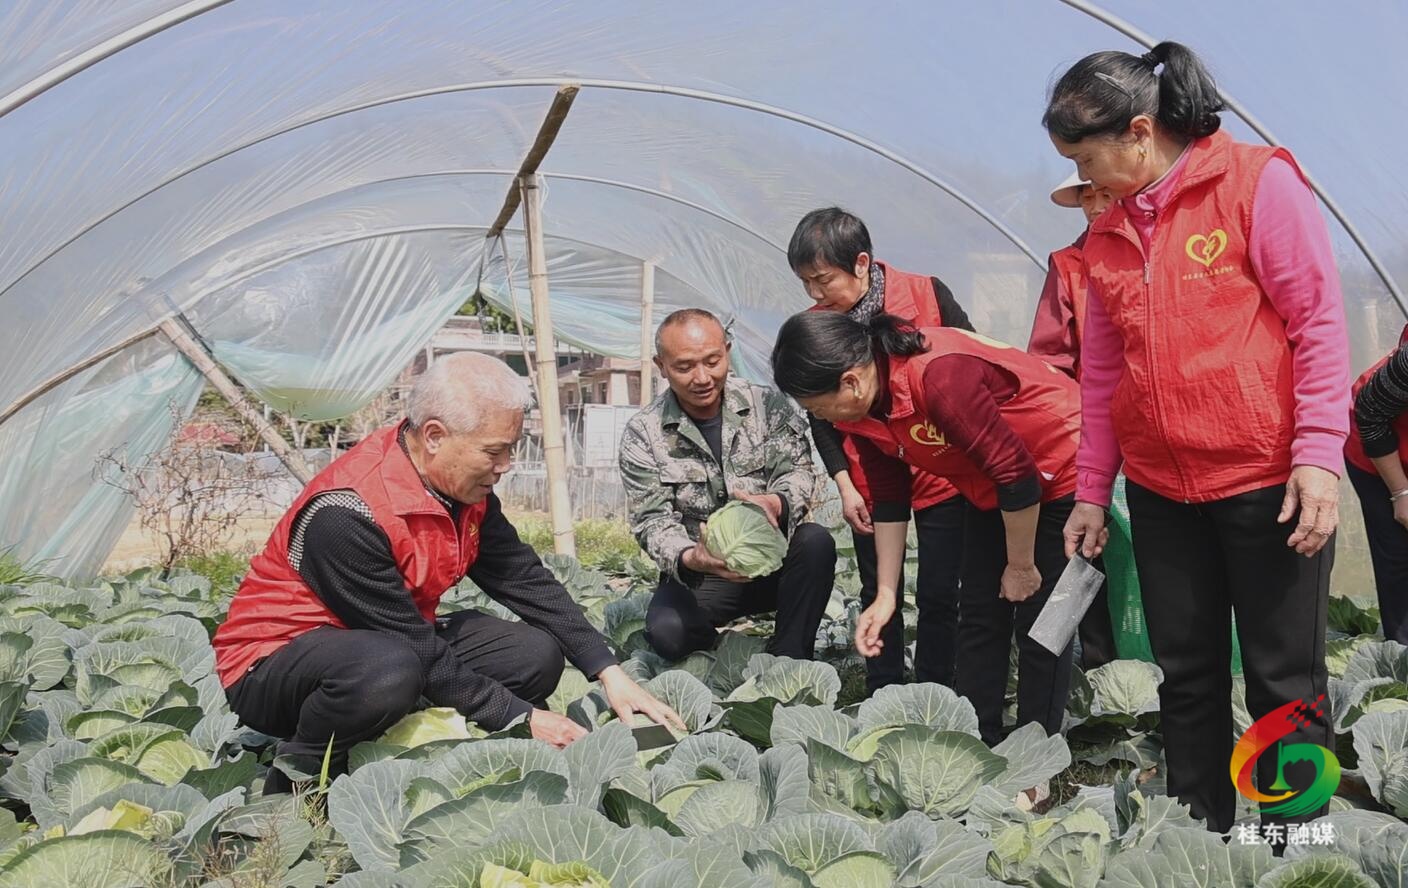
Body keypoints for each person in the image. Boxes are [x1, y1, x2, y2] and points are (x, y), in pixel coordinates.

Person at [1045, 41, 1350, 835]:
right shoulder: (1105, 233)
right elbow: (1103, 378)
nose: (1084, 179)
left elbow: (1317, 323)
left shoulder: (1255, 182)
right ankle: (1196, 841)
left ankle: (1295, 847)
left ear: (1140, 132)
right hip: (1161, 490)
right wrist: (1089, 493)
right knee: (1185, 678)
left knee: (1284, 681)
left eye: (1088, 158)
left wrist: (1318, 458)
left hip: (1265, 480)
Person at [213, 353, 682, 792]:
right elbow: (411, 644)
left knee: (533, 653)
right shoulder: (347, 511)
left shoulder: (461, 489)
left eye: (512, 449)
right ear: (435, 435)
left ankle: (408, 743)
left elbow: (523, 579)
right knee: (386, 670)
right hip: (274, 664)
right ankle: (297, 782)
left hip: (385, 643)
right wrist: (519, 716)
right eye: (494, 451)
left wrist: (607, 671)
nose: (506, 466)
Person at [772, 311, 1081, 747]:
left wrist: (1021, 565)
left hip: (1066, 472)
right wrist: (885, 595)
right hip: (992, 485)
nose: (820, 417)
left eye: (817, 407)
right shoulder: (861, 411)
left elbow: (1018, 475)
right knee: (978, 613)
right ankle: (978, 743)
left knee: (1047, 624)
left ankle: (1038, 756)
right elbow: (891, 497)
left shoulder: (939, 378)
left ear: (850, 382)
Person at [787, 207, 970, 691]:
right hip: (869, 472)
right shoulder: (816, 326)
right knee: (877, 585)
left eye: (822, 280)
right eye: (805, 283)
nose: (815, 294)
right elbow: (818, 415)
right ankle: (883, 688)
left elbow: (968, 361)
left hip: (941, 467)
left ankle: (936, 687)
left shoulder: (928, 293)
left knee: (938, 591)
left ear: (862, 263)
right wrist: (844, 485)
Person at [619, 309, 835, 662]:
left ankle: (790, 656)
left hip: (772, 559)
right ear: (661, 366)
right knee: (669, 633)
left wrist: (776, 503)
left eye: (712, 361)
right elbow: (651, 520)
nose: (702, 377)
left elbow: (798, 471)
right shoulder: (644, 432)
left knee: (815, 543)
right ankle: (725, 652)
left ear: (728, 351)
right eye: (685, 367)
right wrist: (693, 558)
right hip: (704, 574)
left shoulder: (768, 406)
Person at [1027, 174, 1120, 670]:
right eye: (1087, 194)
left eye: (1106, 192)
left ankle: (1155, 670)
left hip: (1152, 432)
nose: (1096, 204)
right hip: (1088, 432)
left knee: (1146, 560)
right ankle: (1084, 672)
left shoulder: (1156, 256)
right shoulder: (1068, 265)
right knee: (1079, 548)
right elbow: (1048, 363)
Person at [1346, 324, 1408, 644]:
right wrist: (1401, 493)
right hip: (1378, 449)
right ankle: (1403, 656)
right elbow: (1369, 412)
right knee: (1400, 558)